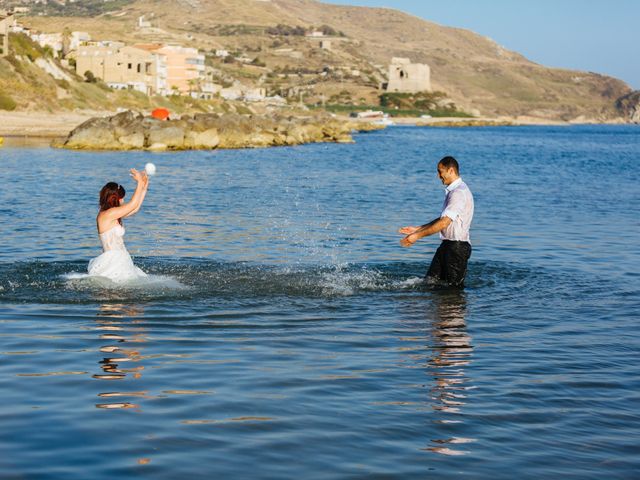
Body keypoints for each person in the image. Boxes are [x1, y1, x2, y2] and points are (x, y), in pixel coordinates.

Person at [398, 156, 474, 287]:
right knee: (429, 283)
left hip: (457, 248)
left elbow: (444, 223)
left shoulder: (458, 193)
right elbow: (443, 219)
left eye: (440, 171)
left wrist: (417, 236)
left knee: (453, 291)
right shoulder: (455, 191)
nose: (438, 176)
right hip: (447, 246)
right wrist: (418, 228)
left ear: (451, 170)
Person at [88, 169, 149, 283]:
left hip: (122, 259)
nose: (123, 200)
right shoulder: (108, 214)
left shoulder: (112, 214)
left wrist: (144, 186)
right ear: (116, 198)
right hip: (114, 262)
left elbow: (135, 208)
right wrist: (139, 182)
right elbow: (132, 205)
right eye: (122, 197)